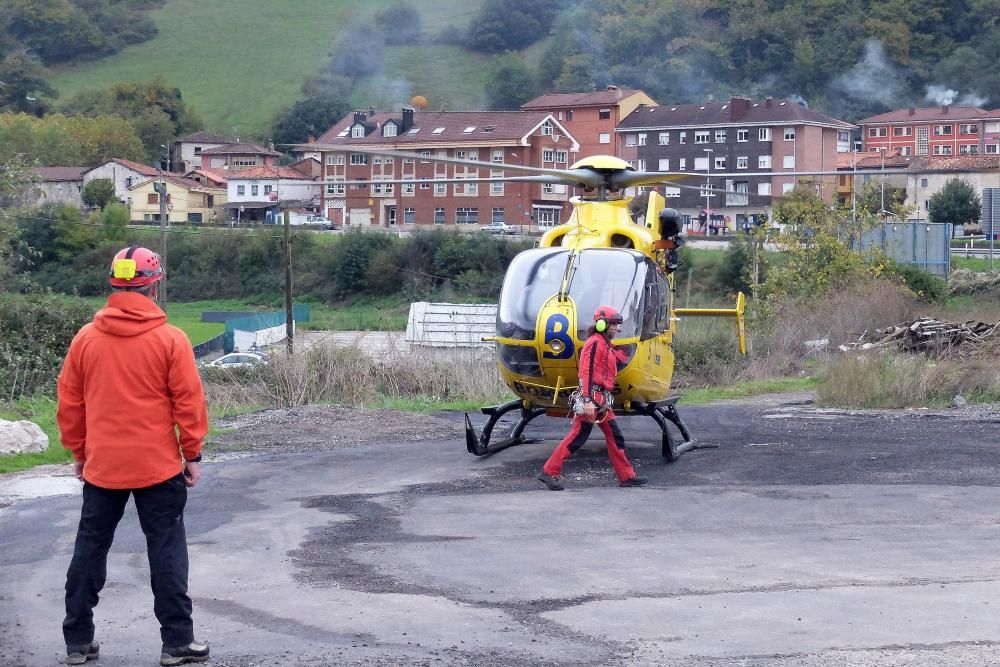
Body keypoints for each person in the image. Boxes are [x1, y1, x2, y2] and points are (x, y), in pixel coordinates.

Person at [58, 245, 211, 666]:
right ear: (155, 286)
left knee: (89, 549)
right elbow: (189, 402)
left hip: (102, 467)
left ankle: (77, 641)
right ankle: (177, 642)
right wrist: (192, 452)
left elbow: (70, 404)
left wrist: (80, 452)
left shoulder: (86, 339)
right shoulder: (170, 339)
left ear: (113, 284)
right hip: (158, 467)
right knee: (165, 551)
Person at [537, 305, 648, 491]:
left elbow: (614, 360)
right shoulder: (595, 343)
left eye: (617, 325)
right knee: (577, 438)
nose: (617, 329)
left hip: (602, 400)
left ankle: (627, 476)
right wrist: (587, 400)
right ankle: (549, 472)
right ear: (603, 324)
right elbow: (585, 372)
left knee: (615, 437)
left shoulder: (605, 345)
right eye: (614, 325)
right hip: (593, 399)